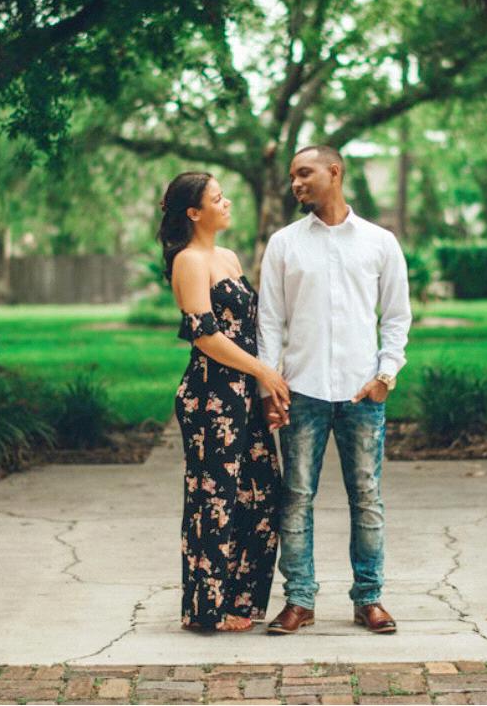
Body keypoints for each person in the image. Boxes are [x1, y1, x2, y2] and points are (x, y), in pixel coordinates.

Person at [257, 145, 412, 635]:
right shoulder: (284, 244)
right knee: (296, 498)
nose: (296, 183)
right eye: (292, 176)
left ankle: (369, 599)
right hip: (301, 391)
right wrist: (269, 383)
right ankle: (299, 600)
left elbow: (397, 316)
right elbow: (269, 321)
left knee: (366, 497)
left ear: (334, 172)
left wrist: (386, 376)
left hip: (361, 394)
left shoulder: (380, 242)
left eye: (304, 173)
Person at [158, 171, 290, 632]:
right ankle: (207, 607)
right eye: (217, 198)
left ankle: (242, 599)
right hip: (211, 395)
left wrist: (263, 382)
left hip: (244, 394)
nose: (227, 202)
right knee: (215, 498)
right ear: (195, 212)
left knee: (260, 494)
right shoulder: (190, 261)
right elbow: (205, 336)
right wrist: (263, 371)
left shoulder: (228, 257)